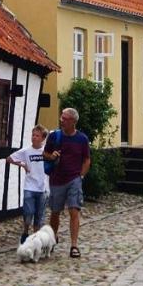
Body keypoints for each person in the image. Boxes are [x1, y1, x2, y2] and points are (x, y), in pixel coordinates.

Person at [44, 107, 91, 258]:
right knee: (55, 212)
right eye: (61, 117)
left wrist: (81, 176)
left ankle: (74, 245)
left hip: (74, 179)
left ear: (73, 121)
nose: (61, 120)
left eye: (64, 118)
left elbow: (86, 159)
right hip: (57, 179)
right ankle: (53, 238)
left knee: (74, 211)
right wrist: (51, 156)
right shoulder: (54, 137)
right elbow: (45, 153)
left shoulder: (82, 139)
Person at [7, 125, 49, 243]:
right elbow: (9, 158)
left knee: (39, 216)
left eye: (37, 136)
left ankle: (35, 239)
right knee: (28, 212)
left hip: (43, 188)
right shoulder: (26, 151)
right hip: (29, 187)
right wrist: (22, 164)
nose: (34, 138)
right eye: (33, 135)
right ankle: (25, 232)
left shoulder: (46, 152)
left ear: (43, 138)